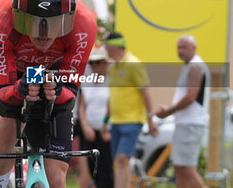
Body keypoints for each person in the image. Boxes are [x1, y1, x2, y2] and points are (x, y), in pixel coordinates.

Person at [0, 0, 97, 188]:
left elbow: (70, 93)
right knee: (6, 123)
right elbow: (3, 97)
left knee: (56, 179)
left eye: (54, 22)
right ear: (17, 15)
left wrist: (58, 90)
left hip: (47, 70)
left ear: (69, 17)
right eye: (32, 21)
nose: (43, 33)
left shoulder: (84, 24)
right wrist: (20, 89)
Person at [100, 32, 158, 188]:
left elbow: (145, 92)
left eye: (106, 44)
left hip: (132, 121)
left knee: (121, 159)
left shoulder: (134, 64)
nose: (105, 48)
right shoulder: (112, 68)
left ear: (114, 45)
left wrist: (150, 119)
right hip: (116, 122)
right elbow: (112, 97)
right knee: (119, 162)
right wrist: (106, 121)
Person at [154, 35, 210, 188]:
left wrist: (169, 110)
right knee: (180, 168)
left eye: (184, 47)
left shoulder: (195, 66)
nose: (180, 51)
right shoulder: (190, 66)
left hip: (190, 124)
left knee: (187, 169)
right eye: (179, 47)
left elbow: (191, 96)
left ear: (194, 48)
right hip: (186, 123)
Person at [79, 46, 113, 188]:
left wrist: (105, 126)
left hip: (106, 130)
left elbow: (112, 108)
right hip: (89, 130)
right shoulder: (87, 82)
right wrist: (85, 126)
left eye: (97, 62)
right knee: (92, 166)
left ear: (105, 63)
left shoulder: (111, 82)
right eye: (91, 63)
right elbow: (82, 107)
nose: (94, 66)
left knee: (106, 167)